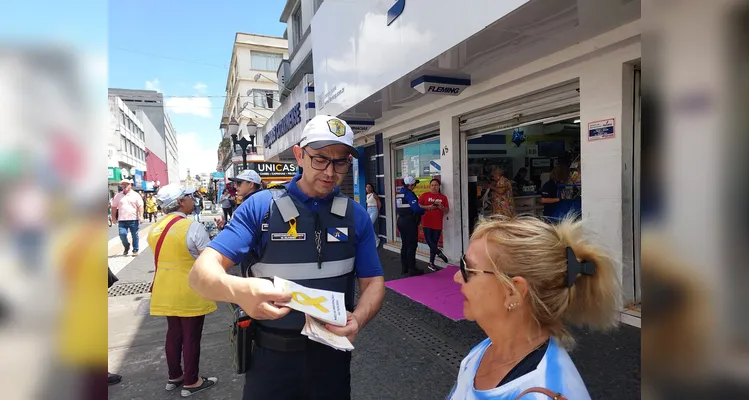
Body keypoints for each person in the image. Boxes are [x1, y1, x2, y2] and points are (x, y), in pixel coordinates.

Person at [189, 115, 385, 400]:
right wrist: (240, 291)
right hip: (270, 359)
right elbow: (200, 274)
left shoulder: (355, 215)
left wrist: (359, 318)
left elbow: (374, 282)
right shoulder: (261, 207)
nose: (330, 171)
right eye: (320, 159)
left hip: (332, 358)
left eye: (340, 161)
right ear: (299, 155)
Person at [447, 215, 621, 399]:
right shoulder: (483, 351)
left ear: (513, 290)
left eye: (468, 269)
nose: (457, 277)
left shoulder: (544, 391)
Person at [150, 184, 219, 397]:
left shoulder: (156, 228)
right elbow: (208, 257)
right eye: (189, 197)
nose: (193, 200)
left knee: (174, 334)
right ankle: (192, 380)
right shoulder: (191, 227)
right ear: (181, 201)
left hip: (165, 288)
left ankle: (175, 376)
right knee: (191, 336)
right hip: (189, 290)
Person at [395, 175, 427, 276]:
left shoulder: (399, 194)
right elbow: (416, 209)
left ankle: (404, 268)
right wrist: (424, 210)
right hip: (409, 221)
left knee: (404, 245)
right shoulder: (409, 194)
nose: (415, 187)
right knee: (411, 245)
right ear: (410, 185)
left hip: (401, 220)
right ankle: (412, 269)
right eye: (414, 185)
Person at [418, 178, 449, 271]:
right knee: (429, 241)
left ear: (439, 186)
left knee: (434, 243)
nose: (434, 187)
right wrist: (428, 207)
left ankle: (431, 263)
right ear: (429, 186)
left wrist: (442, 207)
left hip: (437, 223)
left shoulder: (443, 197)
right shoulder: (424, 195)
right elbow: (418, 206)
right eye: (432, 185)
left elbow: (447, 210)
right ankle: (439, 253)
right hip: (426, 222)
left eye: (436, 185)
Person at [111, 179, 144, 256]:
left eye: (126, 184)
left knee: (135, 235)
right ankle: (126, 246)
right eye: (123, 184)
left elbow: (140, 206)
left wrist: (141, 216)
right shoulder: (118, 196)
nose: (124, 186)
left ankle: (135, 249)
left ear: (130, 185)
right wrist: (113, 218)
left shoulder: (136, 195)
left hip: (133, 219)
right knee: (122, 234)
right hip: (122, 220)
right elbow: (113, 207)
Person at [365, 183, 381, 247]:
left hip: (374, 210)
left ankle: (376, 240)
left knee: (369, 225)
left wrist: (378, 211)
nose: (368, 189)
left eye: (369, 187)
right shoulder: (367, 195)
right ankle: (372, 240)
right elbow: (368, 204)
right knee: (367, 226)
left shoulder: (374, 195)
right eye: (367, 187)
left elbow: (379, 203)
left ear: (371, 188)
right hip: (368, 210)